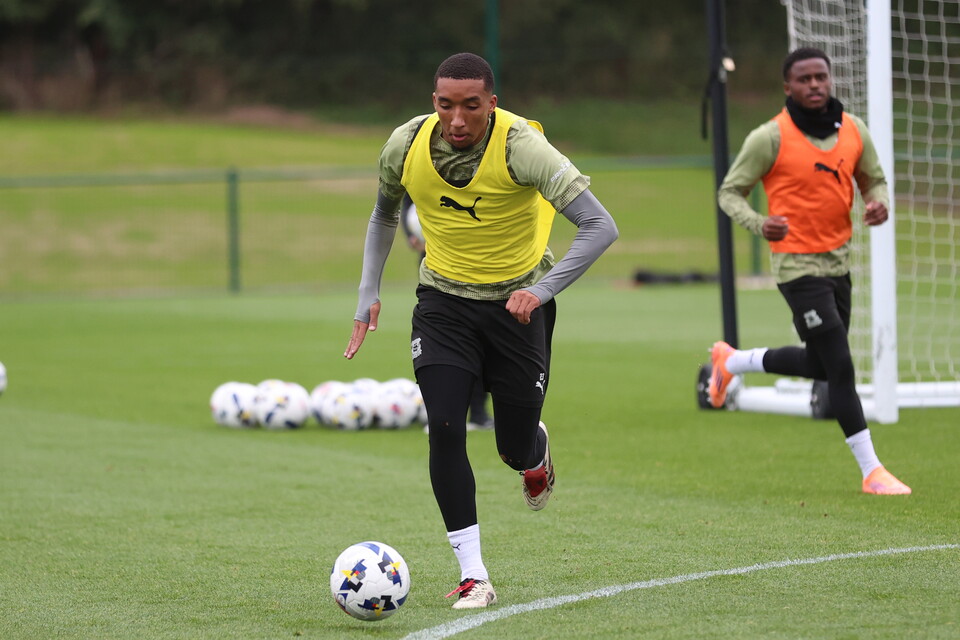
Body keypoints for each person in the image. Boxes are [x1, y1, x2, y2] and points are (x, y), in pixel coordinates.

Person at [344, 52, 618, 608]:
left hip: (518, 309)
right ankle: (474, 575)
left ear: (491, 103)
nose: (458, 119)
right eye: (446, 105)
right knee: (444, 425)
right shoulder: (405, 144)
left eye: (471, 106)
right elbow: (383, 214)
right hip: (442, 303)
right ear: (434, 103)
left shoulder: (523, 148)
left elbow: (600, 226)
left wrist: (540, 291)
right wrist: (366, 293)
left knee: (513, 448)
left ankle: (535, 455)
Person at [710, 47, 910, 496]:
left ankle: (732, 361)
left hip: (839, 261)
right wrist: (761, 224)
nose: (815, 84)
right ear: (788, 87)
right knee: (840, 363)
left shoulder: (854, 130)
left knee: (821, 363)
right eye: (805, 79)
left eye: (821, 76)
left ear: (830, 80)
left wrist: (880, 203)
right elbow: (730, 192)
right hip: (796, 266)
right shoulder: (769, 138)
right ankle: (872, 471)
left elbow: (873, 179)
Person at [400, 194, 494, 431]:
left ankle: (479, 414)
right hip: (434, 266)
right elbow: (405, 201)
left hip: (476, 263)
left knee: (479, 340)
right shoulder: (419, 162)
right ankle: (443, 416)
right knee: (440, 341)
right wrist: (410, 235)